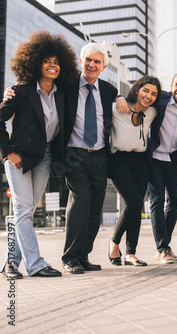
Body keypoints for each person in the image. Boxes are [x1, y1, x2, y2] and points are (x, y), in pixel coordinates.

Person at [0, 30, 78, 278]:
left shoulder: (62, 94)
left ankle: (10, 264)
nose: (52, 65)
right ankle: (35, 264)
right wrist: (8, 152)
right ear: (35, 63)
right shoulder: (21, 90)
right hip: (19, 156)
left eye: (56, 62)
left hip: (44, 157)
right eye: (47, 61)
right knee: (23, 209)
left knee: (26, 210)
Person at [116, 72, 177, 264]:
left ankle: (164, 245)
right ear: (171, 85)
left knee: (175, 201)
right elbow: (138, 99)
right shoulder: (160, 100)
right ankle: (163, 248)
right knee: (157, 200)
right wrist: (120, 97)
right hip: (153, 158)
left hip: (174, 159)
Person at [62, 43, 118, 274]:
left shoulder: (109, 90)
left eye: (97, 62)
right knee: (80, 201)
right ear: (81, 60)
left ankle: (83, 255)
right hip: (75, 154)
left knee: (95, 207)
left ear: (103, 66)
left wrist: (123, 97)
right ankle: (70, 257)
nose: (92, 65)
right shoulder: (67, 85)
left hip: (100, 156)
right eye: (88, 60)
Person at [108, 75, 161, 267]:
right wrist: (119, 97)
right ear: (137, 89)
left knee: (136, 207)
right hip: (118, 161)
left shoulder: (152, 112)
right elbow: (105, 98)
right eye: (145, 90)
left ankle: (130, 253)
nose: (149, 96)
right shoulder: (117, 108)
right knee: (133, 202)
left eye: (154, 93)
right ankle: (114, 242)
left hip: (141, 162)